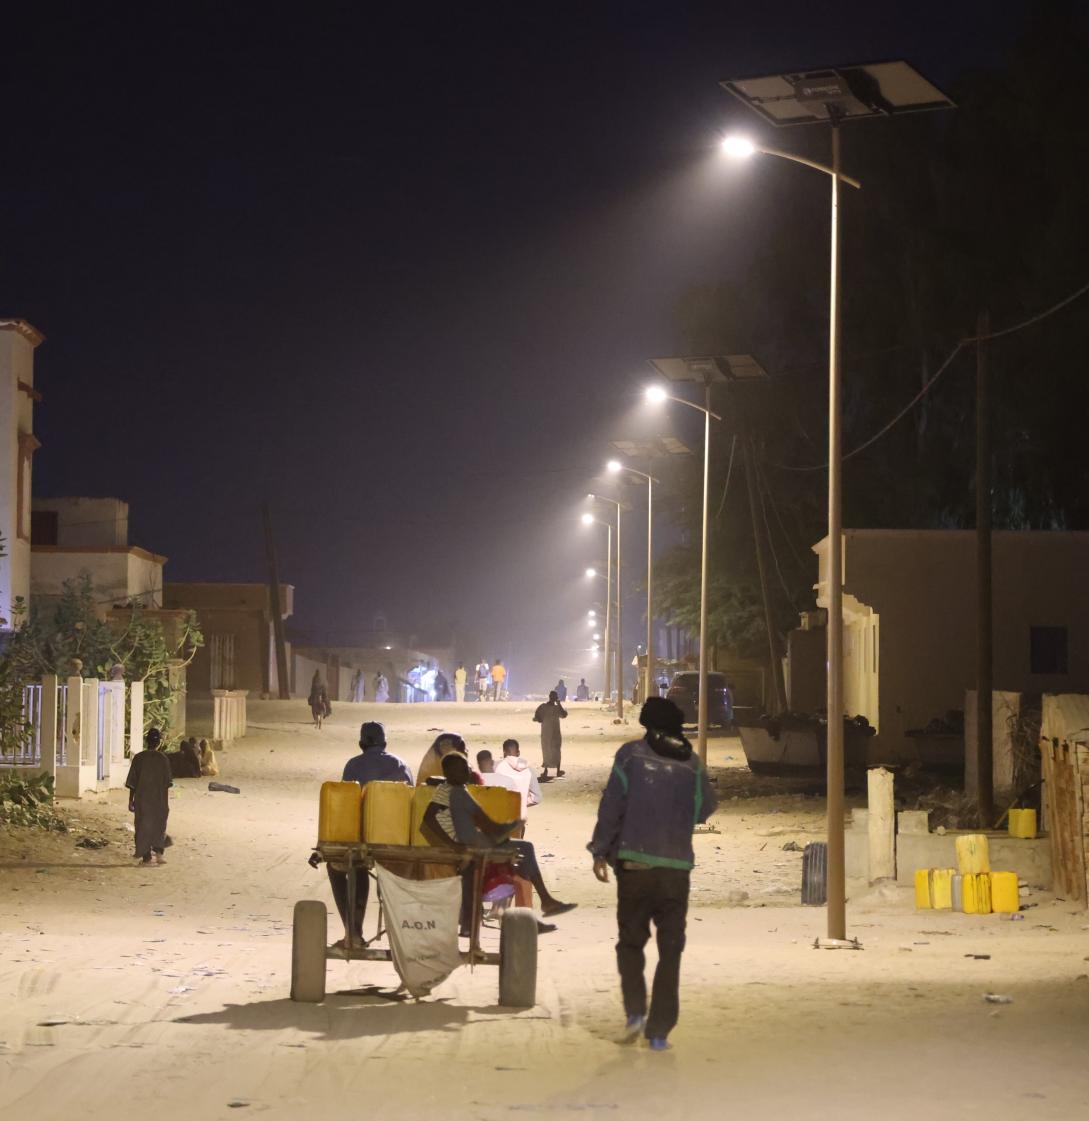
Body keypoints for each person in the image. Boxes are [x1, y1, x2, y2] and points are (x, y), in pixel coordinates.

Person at [588, 697, 717, 1052]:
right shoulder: (692, 764)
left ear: (647, 724)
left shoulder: (630, 756)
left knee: (631, 942)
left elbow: (612, 804)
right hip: (676, 869)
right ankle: (659, 1032)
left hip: (634, 864)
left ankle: (635, 1013)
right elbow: (705, 806)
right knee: (671, 949)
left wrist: (600, 849)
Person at [421, 753, 575, 935]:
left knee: (521, 853)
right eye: (461, 768)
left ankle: (539, 906)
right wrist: (452, 845)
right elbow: (427, 820)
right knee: (524, 849)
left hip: (472, 839)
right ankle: (542, 903)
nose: (466, 770)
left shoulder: (455, 789)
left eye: (466, 767)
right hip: (468, 844)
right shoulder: (451, 791)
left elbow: (481, 821)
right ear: (448, 773)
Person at [327, 722, 413, 945]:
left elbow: (347, 802)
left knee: (349, 866)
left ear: (361, 744)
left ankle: (353, 931)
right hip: (399, 837)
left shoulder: (353, 766)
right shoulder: (401, 764)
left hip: (365, 836)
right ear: (385, 743)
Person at [125, 728, 173, 866]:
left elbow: (132, 783)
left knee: (142, 827)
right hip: (159, 799)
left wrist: (130, 801)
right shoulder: (163, 759)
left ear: (146, 741)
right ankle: (159, 854)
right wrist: (164, 802)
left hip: (143, 799)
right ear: (158, 743)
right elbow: (167, 783)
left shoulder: (139, 758)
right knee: (159, 826)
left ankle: (146, 858)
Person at [494, 738, 542, 817]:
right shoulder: (529, 769)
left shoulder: (495, 766)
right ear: (518, 753)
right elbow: (537, 797)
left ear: (504, 753)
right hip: (520, 817)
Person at [534, 690, 567, 780]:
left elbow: (537, 717)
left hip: (547, 733)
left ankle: (547, 771)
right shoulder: (555, 708)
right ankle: (557, 770)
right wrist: (559, 704)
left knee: (547, 750)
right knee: (556, 750)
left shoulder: (543, 707)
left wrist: (540, 719)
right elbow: (564, 715)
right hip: (554, 732)